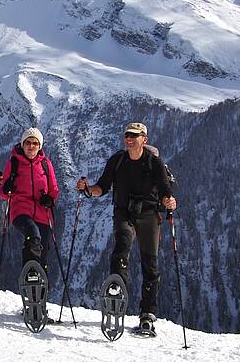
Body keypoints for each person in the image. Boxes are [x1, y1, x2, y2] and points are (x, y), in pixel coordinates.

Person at [76, 122, 177, 333]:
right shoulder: (117, 161)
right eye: (126, 135)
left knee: (150, 265)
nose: (129, 138)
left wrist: (169, 201)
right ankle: (117, 289)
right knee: (121, 247)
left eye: (134, 135)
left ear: (144, 139)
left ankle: (147, 313)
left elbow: (166, 190)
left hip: (149, 215)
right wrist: (87, 190)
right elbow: (102, 187)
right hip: (124, 213)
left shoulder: (154, 163)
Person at [0, 127, 59, 275]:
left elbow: (54, 189)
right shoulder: (14, 163)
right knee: (33, 234)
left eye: (35, 143)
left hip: (42, 213)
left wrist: (50, 199)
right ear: (22, 144)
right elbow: (2, 193)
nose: (31, 146)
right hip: (20, 210)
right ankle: (30, 274)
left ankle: (39, 293)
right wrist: (7, 188)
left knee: (43, 254)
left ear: (40, 146)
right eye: (28, 142)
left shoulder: (46, 164)